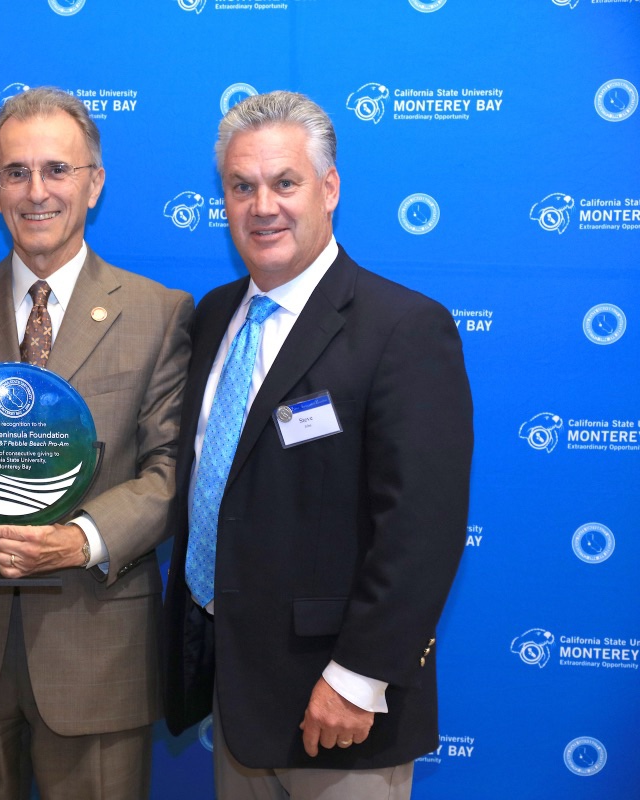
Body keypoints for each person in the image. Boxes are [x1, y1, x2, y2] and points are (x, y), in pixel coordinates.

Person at [162, 91, 473, 799]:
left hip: (339, 710)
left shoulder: (404, 328)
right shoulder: (213, 317)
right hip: (235, 694)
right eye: (242, 187)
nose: (262, 205)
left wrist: (359, 680)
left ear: (329, 189)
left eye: (285, 183)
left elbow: (421, 531)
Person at [0, 87, 193, 799]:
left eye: (57, 170)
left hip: (96, 645)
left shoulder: (159, 313)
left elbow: (169, 473)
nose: (37, 192)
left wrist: (81, 538)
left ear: (95, 181)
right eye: (16, 172)